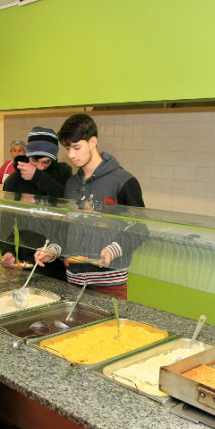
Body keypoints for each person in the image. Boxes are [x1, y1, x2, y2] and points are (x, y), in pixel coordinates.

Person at [34, 113, 146, 299]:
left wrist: (112, 250)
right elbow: (66, 227)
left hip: (109, 284)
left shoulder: (123, 181)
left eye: (76, 148)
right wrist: (53, 250)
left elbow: (141, 229)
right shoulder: (71, 184)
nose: (71, 155)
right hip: (74, 282)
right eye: (67, 148)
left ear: (93, 141)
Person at [0, 126, 71, 281]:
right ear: (27, 155)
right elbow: (5, 222)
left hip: (61, 258)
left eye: (46, 162)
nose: (40, 167)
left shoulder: (63, 172)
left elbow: (68, 202)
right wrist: (8, 251)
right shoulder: (14, 181)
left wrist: (38, 177)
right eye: (34, 161)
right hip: (29, 258)